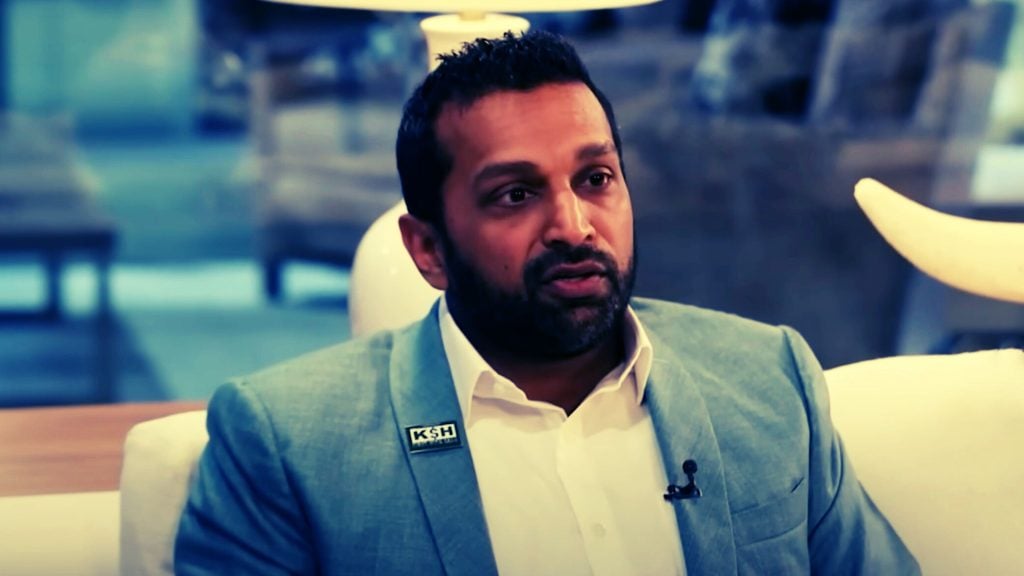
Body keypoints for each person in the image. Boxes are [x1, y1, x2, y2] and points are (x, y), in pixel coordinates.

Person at [175, 31, 918, 575]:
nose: (572, 225)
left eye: (595, 179)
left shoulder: (769, 378)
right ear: (428, 250)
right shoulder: (286, 444)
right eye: (515, 194)